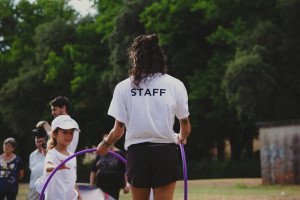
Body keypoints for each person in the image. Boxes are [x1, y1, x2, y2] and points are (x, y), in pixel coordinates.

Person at [95, 34, 191, 200]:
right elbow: (185, 125)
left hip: (137, 154)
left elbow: (118, 130)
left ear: (135, 59)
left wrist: (105, 144)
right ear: (159, 58)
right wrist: (181, 137)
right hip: (165, 153)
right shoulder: (175, 84)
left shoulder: (123, 87)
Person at [43, 115, 82, 200]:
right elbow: (47, 167)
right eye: (65, 132)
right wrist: (57, 166)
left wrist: (79, 196)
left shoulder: (72, 156)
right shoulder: (52, 154)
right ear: (54, 134)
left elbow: (72, 180)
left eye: (71, 132)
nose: (69, 136)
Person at [90, 134, 129, 200]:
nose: (107, 143)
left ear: (113, 141)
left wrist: (127, 185)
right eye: (105, 142)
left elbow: (126, 171)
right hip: (100, 185)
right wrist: (91, 185)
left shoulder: (120, 154)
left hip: (114, 187)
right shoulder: (100, 153)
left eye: (109, 141)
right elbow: (93, 170)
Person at [27, 121, 48, 200]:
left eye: (41, 141)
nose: (39, 143)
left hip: (47, 185)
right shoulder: (32, 155)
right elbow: (32, 169)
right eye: (37, 142)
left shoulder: (50, 154)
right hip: (34, 186)